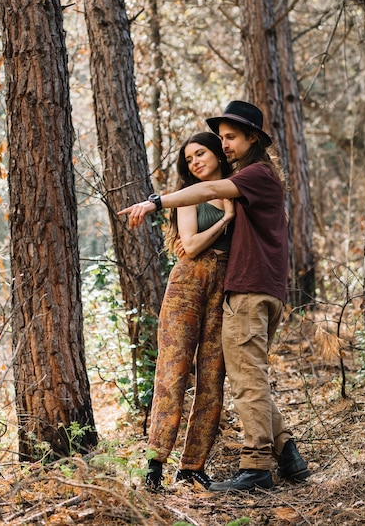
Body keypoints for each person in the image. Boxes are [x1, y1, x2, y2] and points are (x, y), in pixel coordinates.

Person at [119, 101, 310, 492]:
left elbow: (218, 195)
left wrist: (157, 201)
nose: (220, 147)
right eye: (218, 139)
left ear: (251, 139)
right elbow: (189, 243)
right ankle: (281, 453)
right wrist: (212, 213)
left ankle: (215, 466)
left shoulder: (250, 180)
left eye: (225, 140)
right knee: (183, 372)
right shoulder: (227, 189)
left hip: (238, 286)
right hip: (204, 285)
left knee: (228, 377)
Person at [144, 132, 235, 491]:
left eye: (201, 154)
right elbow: (192, 246)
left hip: (225, 287)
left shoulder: (237, 187)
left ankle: (193, 466)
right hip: (187, 284)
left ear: (217, 154)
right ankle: (154, 464)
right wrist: (225, 219)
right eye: (189, 159)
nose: (195, 162)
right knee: (173, 369)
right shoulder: (188, 197)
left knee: (213, 376)